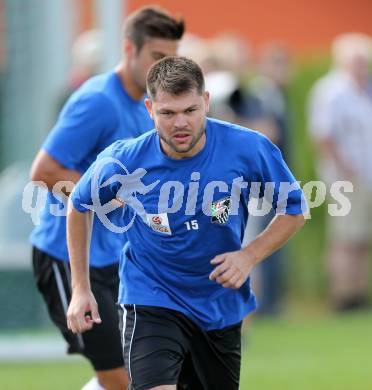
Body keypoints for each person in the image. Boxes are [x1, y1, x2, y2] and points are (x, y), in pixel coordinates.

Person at [66, 56, 306, 390]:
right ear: (150, 109)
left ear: (205, 103)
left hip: (217, 301)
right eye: (168, 113)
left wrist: (248, 256)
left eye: (190, 111)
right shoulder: (124, 160)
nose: (180, 123)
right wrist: (80, 289)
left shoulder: (247, 148)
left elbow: (295, 209)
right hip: (150, 295)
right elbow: (78, 206)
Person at [30, 7, 184, 390]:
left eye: (171, 59)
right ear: (129, 49)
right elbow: (44, 172)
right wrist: (106, 196)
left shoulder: (147, 106)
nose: (163, 69)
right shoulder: (98, 101)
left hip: (115, 258)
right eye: (156, 58)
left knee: (145, 373)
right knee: (121, 377)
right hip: (66, 256)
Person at [307, 33, 372, 311]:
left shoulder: (366, 89)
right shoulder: (330, 90)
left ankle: (358, 292)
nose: (361, 64)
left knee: (362, 238)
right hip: (344, 177)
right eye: (356, 59)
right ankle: (342, 297)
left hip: (367, 174)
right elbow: (323, 135)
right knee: (344, 238)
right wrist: (345, 168)